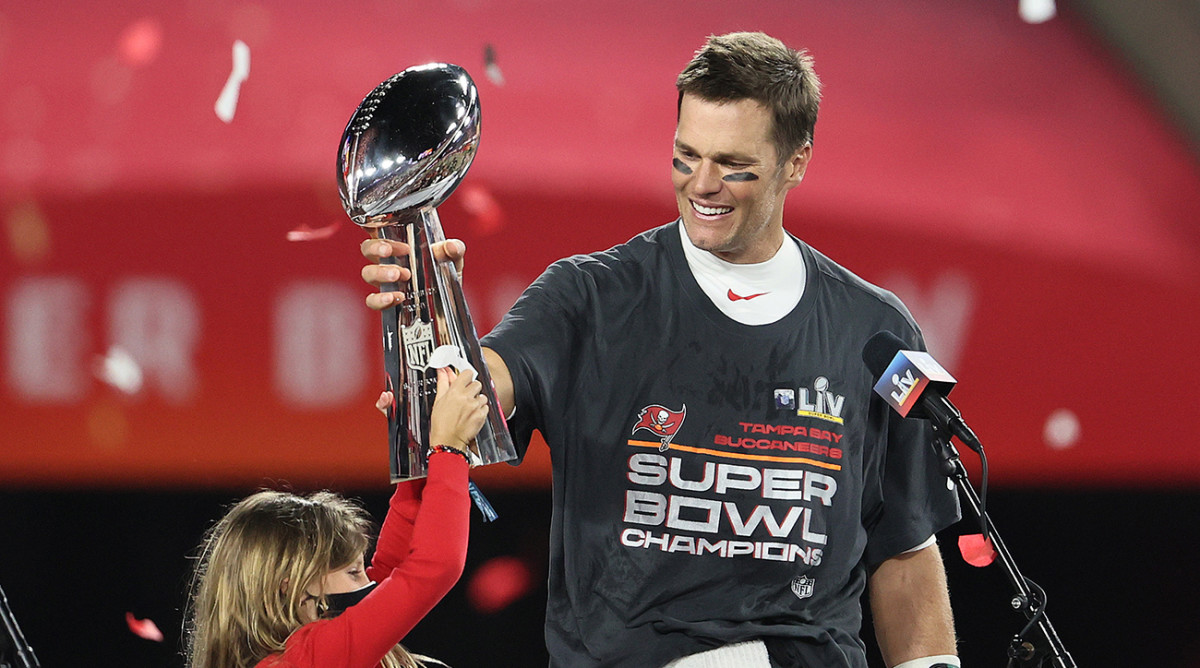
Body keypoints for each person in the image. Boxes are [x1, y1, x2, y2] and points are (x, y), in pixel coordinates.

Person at [362, 32, 961, 668]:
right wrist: (427, 305)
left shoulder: (873, 332)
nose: (702, 185)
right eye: (685, 156)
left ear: (797, 161)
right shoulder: (587, 298)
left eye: (734, 165)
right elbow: (468, 400)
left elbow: (904, 547)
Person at [184, 367, 488, 668]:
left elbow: (394, 569)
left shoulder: (299, 656)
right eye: (354, 573)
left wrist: (417, 454)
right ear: (289, 586)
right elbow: (433, 567)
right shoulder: (306, 660)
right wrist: (449, 449)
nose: (370, 581)